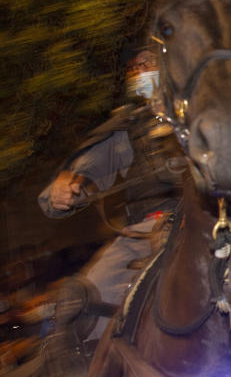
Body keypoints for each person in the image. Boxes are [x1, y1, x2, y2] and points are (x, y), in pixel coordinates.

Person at [37, 49, 183, 340]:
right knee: (85, 299)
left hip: (201, 220)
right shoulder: (127, 127)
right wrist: (64, 187)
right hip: (141, 233)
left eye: (148, 62)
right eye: (133, 66)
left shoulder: (199, 110)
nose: (140, 71)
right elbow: (84, 170)